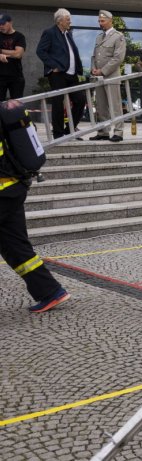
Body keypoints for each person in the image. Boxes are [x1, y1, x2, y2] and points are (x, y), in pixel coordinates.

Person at [0, 99, 71, 313]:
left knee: (15, 245)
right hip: (12, 188)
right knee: (15, 246)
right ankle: (50, 292)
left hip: (3, 191)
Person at [35, 8, 87, 140]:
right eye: (68, 19)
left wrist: (80, 70)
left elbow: (73, 53)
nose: (70, 21)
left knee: (80, 101)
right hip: (58, 74)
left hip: (72, 74)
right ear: (60, 20)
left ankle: (69, 130)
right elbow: (40, 51)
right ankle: (58, 133)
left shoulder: (68, 34)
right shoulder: (50, 32)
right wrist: (53, 66)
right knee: (58, 103)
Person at [89, 10, 126, 142]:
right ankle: (103, 132)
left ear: (110, 21)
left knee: (115, 106)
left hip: (111, 77)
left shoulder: (118, 36)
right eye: (99, 21)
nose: (100, 23)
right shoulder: (99, 37)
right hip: (99, 77)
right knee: (101, 106)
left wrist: (102, 71)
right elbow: (94, 55)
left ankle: (118, 132)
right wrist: (93, 68)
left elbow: (118, 58)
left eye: (102, 21)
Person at [0, 14, 26, 101]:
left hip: (16, 75)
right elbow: (15, 53)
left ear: (10, 22)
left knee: (16, 104)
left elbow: (18, 54)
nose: (1, 26)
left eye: (3, 24)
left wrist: (1, 51)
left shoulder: (19, 36)